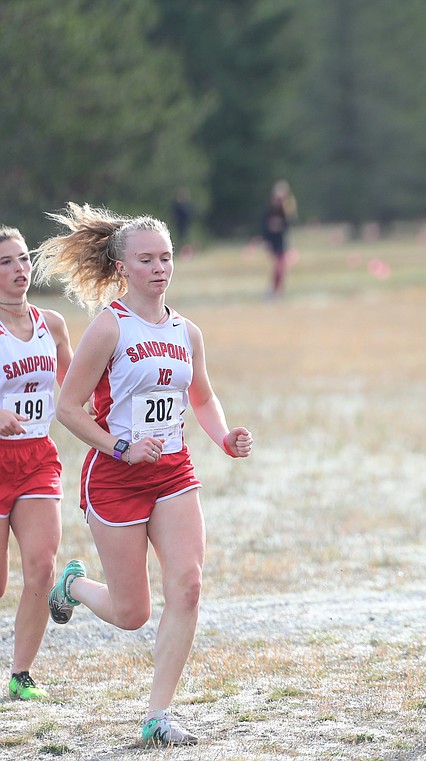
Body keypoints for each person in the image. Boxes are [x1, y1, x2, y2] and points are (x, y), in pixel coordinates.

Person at [32, 203, 253, 746]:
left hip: (173, 471)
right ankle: (74, 585)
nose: (160, 268)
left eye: (166, 257)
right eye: (147, 259)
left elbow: (201, 396)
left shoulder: (186, 332)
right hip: (114, 477)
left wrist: (223, 436)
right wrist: (120, 445)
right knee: (132, 613)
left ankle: (158, 715)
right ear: (122, 266)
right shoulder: (110, 327)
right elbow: (68, 407)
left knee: (190, 585)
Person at [0, 226, 73, 701]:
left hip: (37, 457)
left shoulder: (54, 324)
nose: (19, 269)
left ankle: (21, 674)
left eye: (23, 259)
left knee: (43, 566)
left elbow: (80, 386)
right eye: (5, 262)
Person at [261, 179, 297, 298]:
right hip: (272, 241)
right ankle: (273, 290)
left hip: (281, 240)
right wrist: (266, 239)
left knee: (281, 267)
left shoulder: (286, 208)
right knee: (278, 266)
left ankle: (278, 290)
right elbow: (264, 225)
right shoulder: (269, 208)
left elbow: (289, 224)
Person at [171, 187, 194, 260]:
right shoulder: (177, 205)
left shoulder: (185, 205)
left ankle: (186, 253)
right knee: (181, 239)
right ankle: (181, 253)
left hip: (185, 225)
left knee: (185, 239)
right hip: (179, 225)